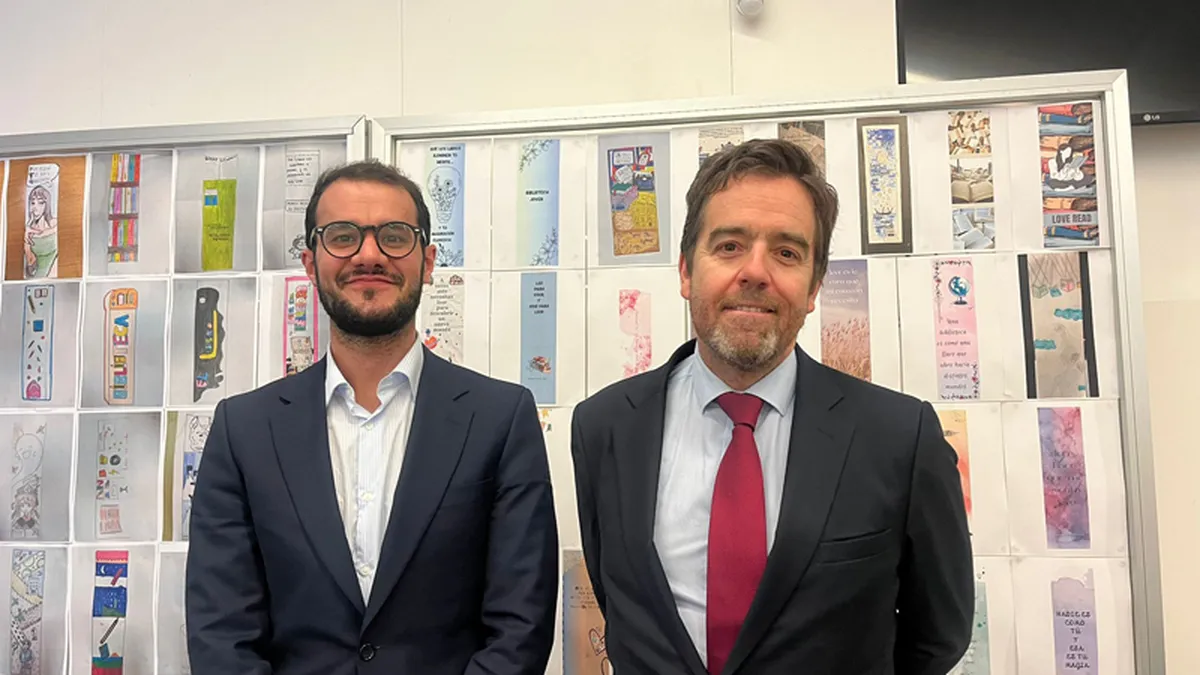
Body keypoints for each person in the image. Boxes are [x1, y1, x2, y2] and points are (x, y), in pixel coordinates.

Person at [570, 139, 974, 674]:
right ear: (686, 272)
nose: (755, 272)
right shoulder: (604, 427)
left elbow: (938, 637)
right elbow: (619, 600)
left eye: (786, 253)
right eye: (729, 246)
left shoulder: (900, 437)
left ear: (814, 287)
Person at [186, 159, 559, 675]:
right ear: (310, 263)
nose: (368, 254)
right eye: (342, 237)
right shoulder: (243, 430)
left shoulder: (500, 418)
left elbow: (522, 626)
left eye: (394, 236)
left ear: (428, 261)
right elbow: (221, 633)